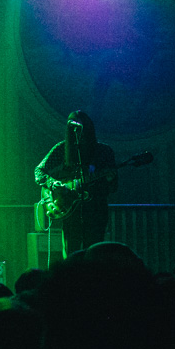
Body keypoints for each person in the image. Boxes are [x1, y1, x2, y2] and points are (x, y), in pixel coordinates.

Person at [34, 110, 117, 258]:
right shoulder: (62, 149)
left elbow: (113, 187)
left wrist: (108, 181)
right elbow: (39, 171)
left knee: (94, 254)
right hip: (70, 211)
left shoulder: (104, 151)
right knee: (71, 252)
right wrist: (53, 184)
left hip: (95, 211)